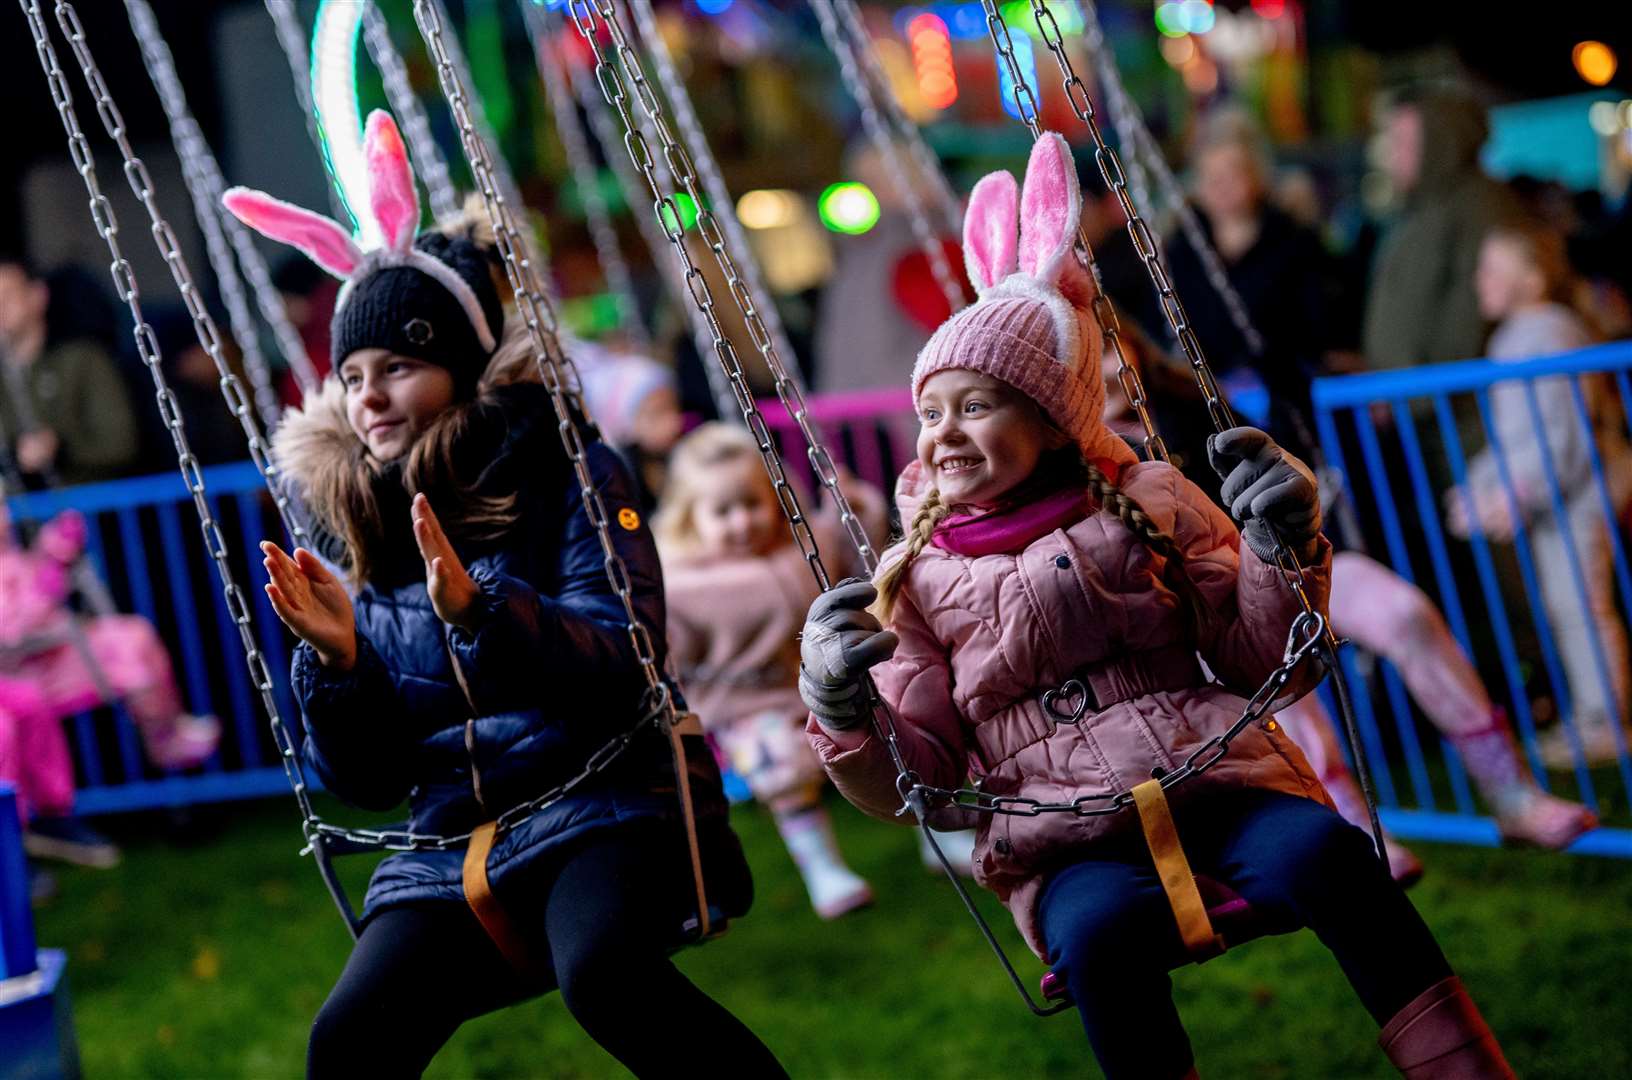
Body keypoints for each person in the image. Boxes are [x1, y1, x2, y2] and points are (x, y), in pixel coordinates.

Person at [795, 136, 1512, 1079]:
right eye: (934, 413)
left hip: (1222, 788)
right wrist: (844, 708)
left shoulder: (1155, 498)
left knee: (1331, 857)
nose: (944, 434)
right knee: (1100, 937)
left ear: (1052, 416)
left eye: (977, 407)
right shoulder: (915, 576)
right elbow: (916, 776)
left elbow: (1270, 661)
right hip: (1060, 841)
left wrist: (1280, 548)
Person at [226, 111, 782, 1078]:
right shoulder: (351, 529)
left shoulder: (568, 469)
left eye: (398, 365)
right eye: (352, 376)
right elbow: (363, 780)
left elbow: (625, 660)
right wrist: (342, 664)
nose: (369, 395)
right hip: (454, 836)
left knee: (606, 971)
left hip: (607, 792)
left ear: (463, 367)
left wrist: (485, 615)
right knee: (346, 1040)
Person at [657, 422, 882, 918]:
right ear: (691, 518)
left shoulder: (801, 544)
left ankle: (940, 837)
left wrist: (854, 510)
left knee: (888, 739)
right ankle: (821, 867)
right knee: (782, 766)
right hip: (745, 704)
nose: (743, 521)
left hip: (825, 683)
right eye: (723, 511)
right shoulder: (681, 585)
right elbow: (667, 648)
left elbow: (850, 559)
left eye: (752, 503)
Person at [1446, 221, 1631, 768]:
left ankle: (1608, 721)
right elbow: (1519, 439)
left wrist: (1517, 493)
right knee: (1567, 601)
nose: (1479, 279)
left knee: (1582, 603)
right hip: (1556, 496)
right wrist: (1484, 483)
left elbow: (1562, 438)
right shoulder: (1515, 337)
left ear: (1531, 278)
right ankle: (1596, 714)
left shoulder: (1549, 333)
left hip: (1577, 495)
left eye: (1492, 268)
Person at [0, 504, 220, 869]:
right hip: (24, 667)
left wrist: (51, 555)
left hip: (50, 653)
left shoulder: (12, 556)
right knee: (19, 716)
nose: (4, 517)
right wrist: (50, 570)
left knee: (134, 634)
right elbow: (12, 630)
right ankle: (25, 833)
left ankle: (164, 733)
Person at [1163, 109, 1337, 448]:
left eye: (1232, 173)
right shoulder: (1180, 251)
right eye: (1211, 176)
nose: (1221, 187)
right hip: (1209, 412)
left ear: (1256, 173)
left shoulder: (1292, 241)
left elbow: (1315, 326)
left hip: (1288, 408)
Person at [1362, 87, 1525, 371]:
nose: (1393, 156)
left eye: (1403, 143)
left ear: (1439, 142)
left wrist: (1415, 393)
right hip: (1420, 401)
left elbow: (1471, 315)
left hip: (1454, 404)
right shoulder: (1424, 209)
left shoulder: (1478, 206)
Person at [0, 256, 141, 486]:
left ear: (37, 296)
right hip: (18, 517)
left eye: (8, 296)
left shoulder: (83, 360)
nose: (0, 308)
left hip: (89, 508)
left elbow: (120, 443)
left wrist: (60, 448)